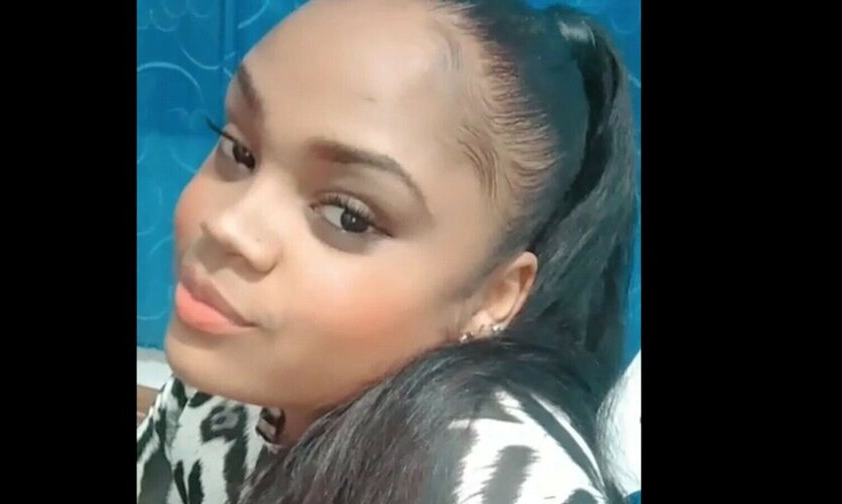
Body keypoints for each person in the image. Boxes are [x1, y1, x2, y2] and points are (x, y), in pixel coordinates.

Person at [137, 0, 638, 502]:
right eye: (239, 150)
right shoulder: (236, 351)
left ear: (495, 295)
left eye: (348, 216)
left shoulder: (499, 487)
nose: (228, 225)